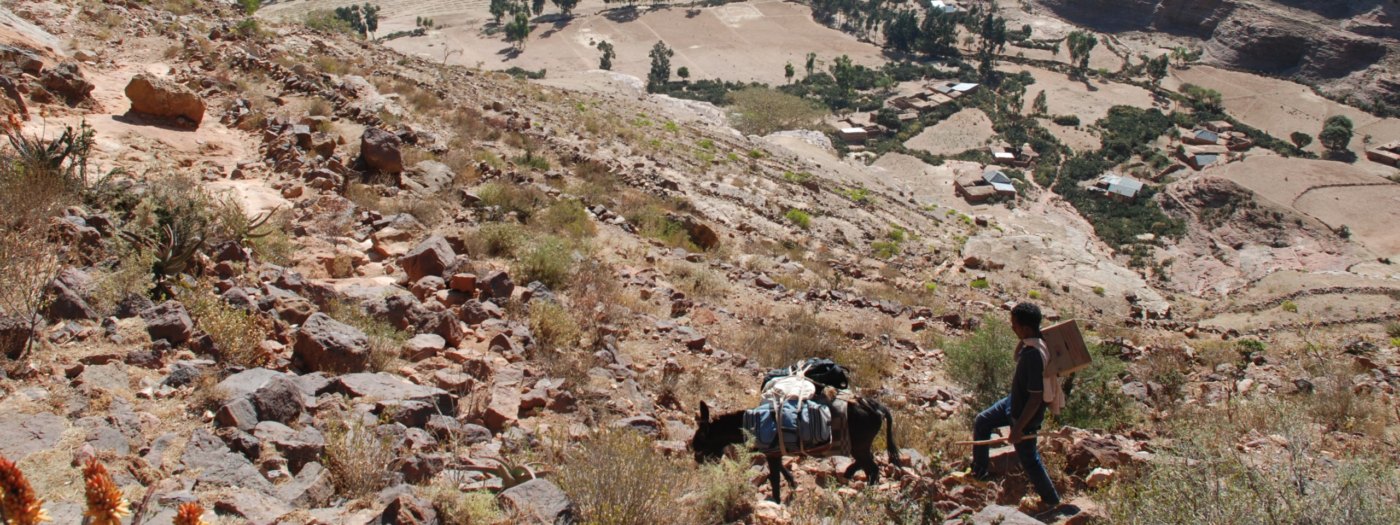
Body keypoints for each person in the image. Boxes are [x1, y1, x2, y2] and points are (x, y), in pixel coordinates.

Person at [970, 302, 1061, 512]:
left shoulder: (1033, 356)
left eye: (1015, 325)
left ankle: (1051, 500)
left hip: (1025, 414)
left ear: (1026, 328)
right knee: (982, 421)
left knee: (1030, 460)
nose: (1013, 328)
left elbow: (1036, 398)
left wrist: (1018, 428)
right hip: (1013, 403)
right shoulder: (1035, 342)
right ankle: (980, 473)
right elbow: (1018, 353)